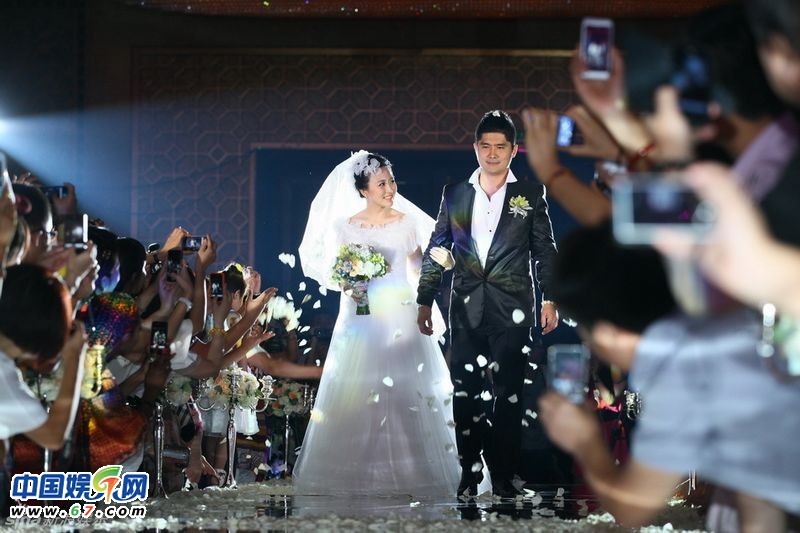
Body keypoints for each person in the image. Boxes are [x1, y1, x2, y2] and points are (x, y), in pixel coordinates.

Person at [539, 224, 800, 530]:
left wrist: (586, 443)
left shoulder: (678, 371)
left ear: (608, 333)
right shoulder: (717, 325)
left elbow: (631, 508)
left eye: (586, 334)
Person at [294, 151, 460, 498]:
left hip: (402, 317)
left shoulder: (408, 223)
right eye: (381, 184)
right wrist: (352, 281)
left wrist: (437, 269)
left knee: (406, 394)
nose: (389, 189)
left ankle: (417, 476)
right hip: (361, 321)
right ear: (363, 190)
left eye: (391, 181)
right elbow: (340, 276)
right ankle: (355, 478)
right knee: (358, 394)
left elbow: (417, 270)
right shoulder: (345, 226)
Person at [416, 110, 559, 498]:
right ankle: (468, 471)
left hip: (513, 308)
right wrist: (425, 299)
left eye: (500, 146)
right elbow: (437, 248)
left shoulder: (530, 193)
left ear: (513, 150)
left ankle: (505, 475)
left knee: (509, 395)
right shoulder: (456, 194)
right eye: (485, 146)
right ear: (475, 148)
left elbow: (545, 250)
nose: (492, 153)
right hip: (465, 307)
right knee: (465, 393)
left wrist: (550, 297)